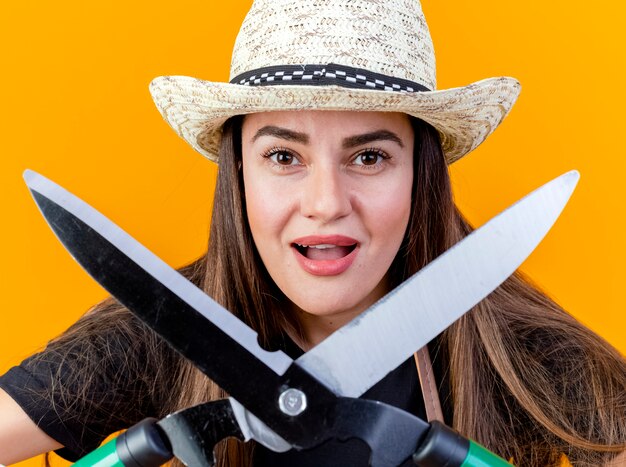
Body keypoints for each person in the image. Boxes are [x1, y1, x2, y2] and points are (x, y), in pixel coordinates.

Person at [1, 0, 625, 465]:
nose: (325, 204)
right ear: (238, 174)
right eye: (283, 157)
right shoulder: (157, 332)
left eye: (370, 157)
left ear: (420, 177)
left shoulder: (522, 352)